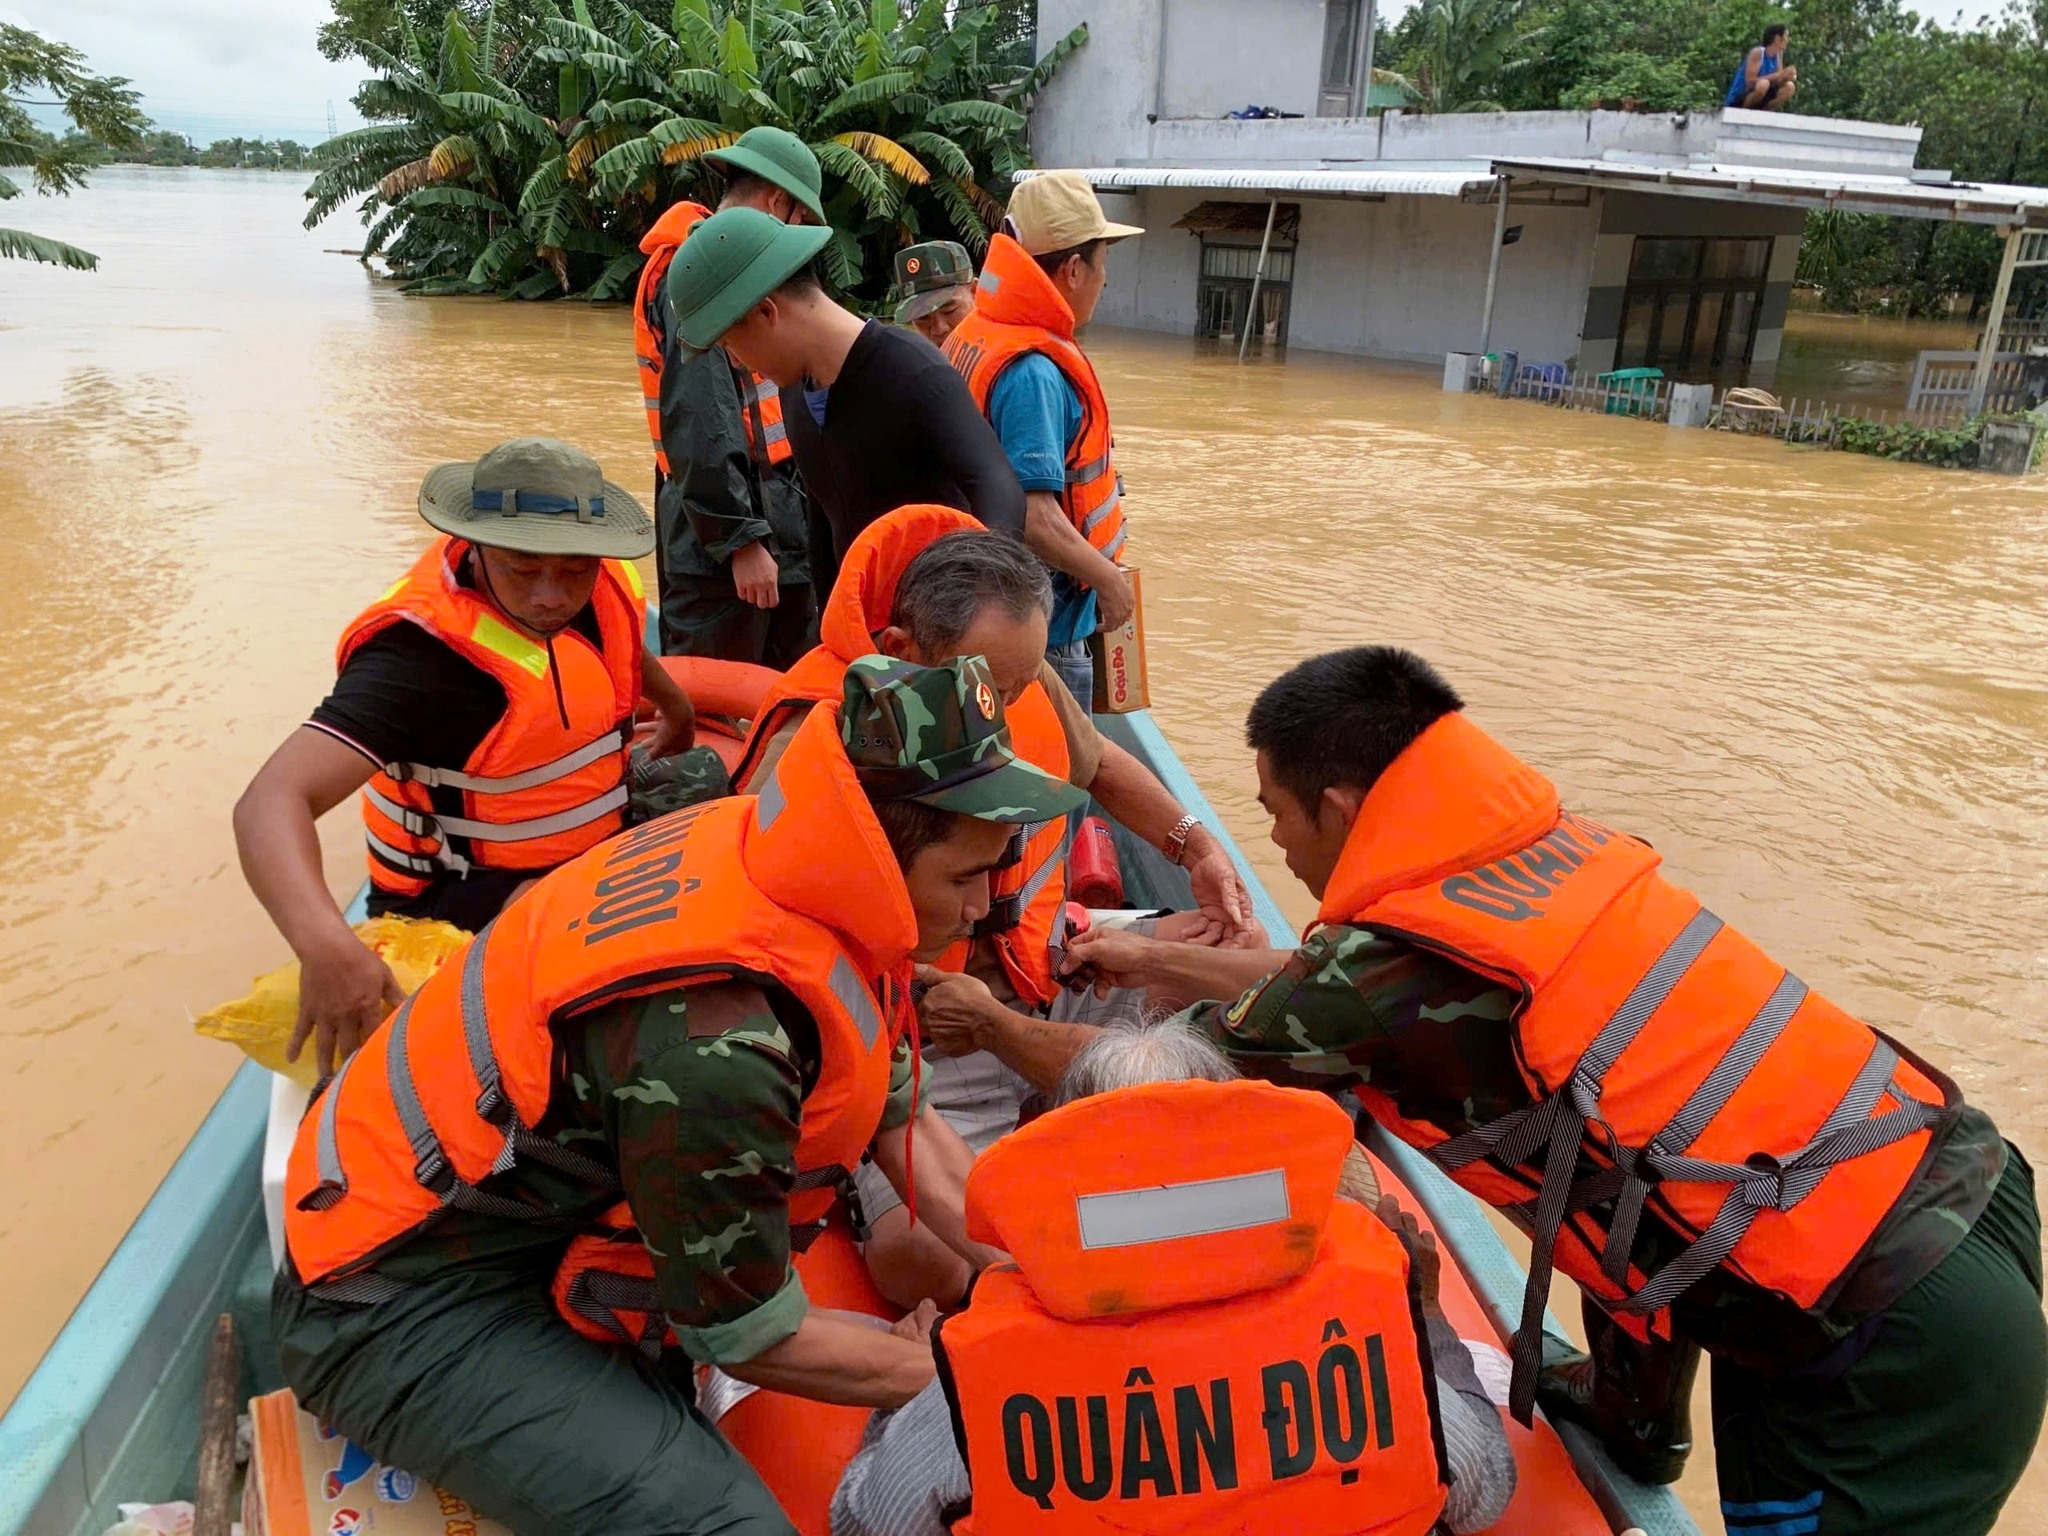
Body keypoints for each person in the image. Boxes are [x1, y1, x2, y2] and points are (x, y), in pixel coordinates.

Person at [1073, 646, 2046, 1536]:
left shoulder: (1375, 983)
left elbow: (1178, 1072)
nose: (1274, 840)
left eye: (1272, 811)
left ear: (1333, 805)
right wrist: (1143, 956)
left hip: (1889, 1333)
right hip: (1944, 1190)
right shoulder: (1550, 856)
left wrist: (989, 1027)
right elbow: (1636, 1172)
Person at [274, 654, 1091, 1536]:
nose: (986, 907)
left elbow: (912, 1128)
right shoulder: (721, 1044)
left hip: (504, 1210)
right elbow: (749, 1336)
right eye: (965, 880)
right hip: (395, 1295)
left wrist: (1040, 1287)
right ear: (879, 858)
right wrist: (982, 1375)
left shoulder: (788, 862)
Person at [730, 504, 1253, 1306]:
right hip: (929, 1035)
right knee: (919, 1257)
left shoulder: (1018, 672)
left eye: (1020, 685)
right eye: (988, 687)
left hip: (1049, 966)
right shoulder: (819, 750)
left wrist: (1199, 849)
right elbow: (778, 947)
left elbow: (1099, 761)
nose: (1003, 714)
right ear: (902, 653)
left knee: (1247, 981)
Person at [829, 1017, 1518, 1536]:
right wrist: (1425, 1315)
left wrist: (914, 1384)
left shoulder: (983, 1379)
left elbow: (864, 1521)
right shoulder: (1367, 1331)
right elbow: (1483, 1488)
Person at [232, 438, 697, 1076]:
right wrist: (326, 947)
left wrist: (676, 707)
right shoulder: (420, 662)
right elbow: (268, 802)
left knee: (709, 789)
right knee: (629, 995)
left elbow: (618, 645)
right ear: (476, 547)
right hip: (469, 886)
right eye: (522, 568)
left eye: (572, 571)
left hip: (587, 833)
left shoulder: (601, 578)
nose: (550, 597)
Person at [662, 206, 1026, 601]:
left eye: (731, 344)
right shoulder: (796, 391)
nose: (735, 361)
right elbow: (823, 517)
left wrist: (974, 604)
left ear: (767, 312)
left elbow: (998, 486)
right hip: (864, 630)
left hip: (939, 623)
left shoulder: (913, 369)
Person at [945, 170, 1142, 705]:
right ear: (1075, 269)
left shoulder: (980, 332)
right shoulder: (1034, 371)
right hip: (1041, 631)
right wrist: (1108, 579)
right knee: (1057, 769)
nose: (1105, 281)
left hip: (981, 600)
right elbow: (1033, 517)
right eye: (1103, 264)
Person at [634, 126, 826, 666]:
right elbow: (699, 414)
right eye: (801, 223)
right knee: (719, 707)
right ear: (778, 202)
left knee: (787, 696)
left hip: (775, 521)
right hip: (719, 541)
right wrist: (740, 542)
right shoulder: (699, 269)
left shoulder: (736, 267)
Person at [889, 240, 977, 346]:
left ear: (975, 291)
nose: (939, 329)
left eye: (949, 311)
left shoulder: (1001, 349)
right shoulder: (910, 359)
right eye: (922, 317)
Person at [1727, 23, 1797, 110]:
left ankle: (1764, 112)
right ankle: (1743, 112)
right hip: (1741, 97)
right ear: (1777, 38)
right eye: (1786, 36)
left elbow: (1777, 81)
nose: (1787, 40)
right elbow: (1750, 81)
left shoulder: (1778, 55)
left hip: (1762, 95)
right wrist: (1779, 74)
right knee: (1763, 84)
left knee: (1789, 87)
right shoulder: (1758, 52)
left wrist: (1786, 77)